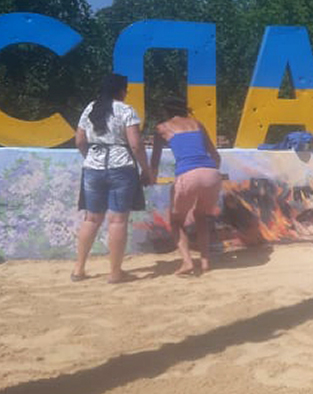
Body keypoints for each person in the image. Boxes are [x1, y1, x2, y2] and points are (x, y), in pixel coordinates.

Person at [72, 73, 152, 283]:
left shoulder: (90, 108)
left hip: (93, 166)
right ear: (121, 90)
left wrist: (90, 158)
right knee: (117, 220)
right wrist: (146, 169)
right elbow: (135, 145)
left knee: (91, 218)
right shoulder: (126, 110)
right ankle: (115, 273)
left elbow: (79, 141)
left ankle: (79, 269)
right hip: (121, 167)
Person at [150, 95, 222, 276]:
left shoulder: (162, 128)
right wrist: (210, 174)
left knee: (176, 221)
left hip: (187, 174)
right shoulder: (197, 124)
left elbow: (155, 162)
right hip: (211, 173)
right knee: (201, 216)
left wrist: (150, 178)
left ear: (166, 111)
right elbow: (216, 156)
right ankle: (205, 261)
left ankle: (187, 262)